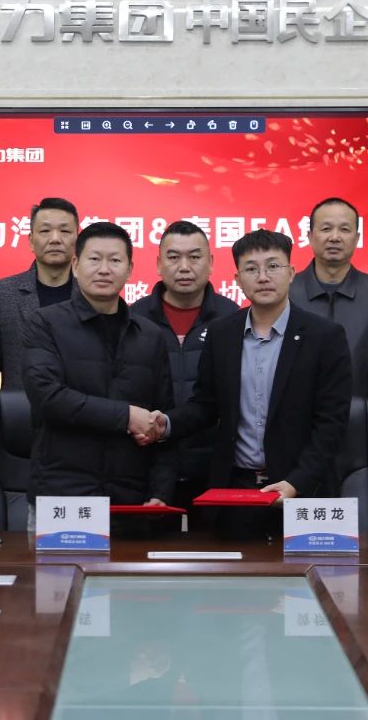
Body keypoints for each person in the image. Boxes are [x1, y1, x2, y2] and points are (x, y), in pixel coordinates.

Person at [161, 229, 352, 538]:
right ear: (238, 279)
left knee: (305, 569)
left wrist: (297, 483)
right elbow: (205, 405)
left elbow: (332, 424)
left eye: (273, 266)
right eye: (251, 269)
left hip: (303, 489)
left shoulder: (325, 337)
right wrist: (166, 423)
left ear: (291, 273)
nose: (263, 277)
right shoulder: (222, 334)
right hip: (236, 489)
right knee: (238, 566)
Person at [23, 221, 177, 514]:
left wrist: (161, 491)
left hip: (131, 499)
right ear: (75, 265)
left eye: (115, 261)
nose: (104, 269)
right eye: (94, 259)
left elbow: (162, 420)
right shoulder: (45, 323)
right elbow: (48, 398)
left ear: (130, 269)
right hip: (64, 496)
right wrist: (126, 416)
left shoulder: (150, 336)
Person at [288, 197, 368, 525]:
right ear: (309, 236)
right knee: (302, 538)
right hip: (298, 441)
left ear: (357, 238)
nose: (334, 237)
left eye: (344, 229)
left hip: (362, 441)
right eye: (325, 228)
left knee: (363, 538)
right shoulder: (287, 294)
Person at [130, 220, 238, 525]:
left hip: (215, 467)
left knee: (218, 552)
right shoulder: (133, 319)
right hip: (148, 468)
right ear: (158, 264)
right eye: (174, 257)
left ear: (211, 262)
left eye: (194, 256)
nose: (185, 267)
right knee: (149, 552)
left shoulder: (233, 318)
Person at [0, 197, 79, 393]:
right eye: (45, 231)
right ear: (31, 241)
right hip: (20, 411)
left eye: (65, 231)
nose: (55, 239)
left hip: (82, 411)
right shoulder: (0, 295)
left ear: (77, 240)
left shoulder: (94, 296)